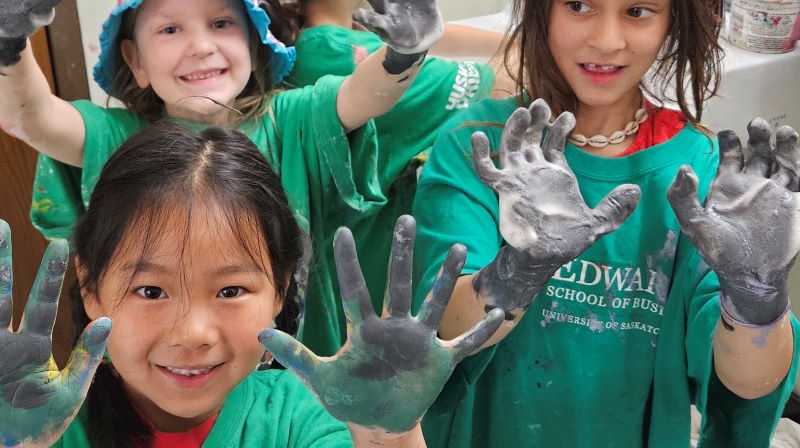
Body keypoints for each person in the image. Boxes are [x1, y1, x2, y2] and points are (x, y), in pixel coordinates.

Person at [410, 0, 800, 446]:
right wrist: (516, 271)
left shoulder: (695, 176)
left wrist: (756, 299)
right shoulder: (478, 151)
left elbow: (742, 384)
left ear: (676, 18)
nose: (607, 39)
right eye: (578, 5)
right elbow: (437, 338)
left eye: (640, 11)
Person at [0, 0, 446, 282]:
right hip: (163, 368)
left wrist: (403, 51)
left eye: (220, 23)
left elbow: (361, 95)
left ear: (255, 45)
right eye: (170, 30)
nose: (200, 46)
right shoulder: (116, 139)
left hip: (290, 367)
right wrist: (8, 43)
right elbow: (31, 117)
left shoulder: (292, 120)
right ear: (134, 60)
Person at [0, 123, 503, 447]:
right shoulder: (41, 425)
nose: (193, 332)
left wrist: (387, 438)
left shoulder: (304, 420)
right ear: (89, 287)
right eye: (151, 291)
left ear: (281, 288)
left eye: (230, 291)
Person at [245, 0, 515, 356]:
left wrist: (511, 37)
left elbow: (437, 35)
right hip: (370, 287)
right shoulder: (352, 63)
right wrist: (537, 47)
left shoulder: (303, 40)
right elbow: (499, 81)